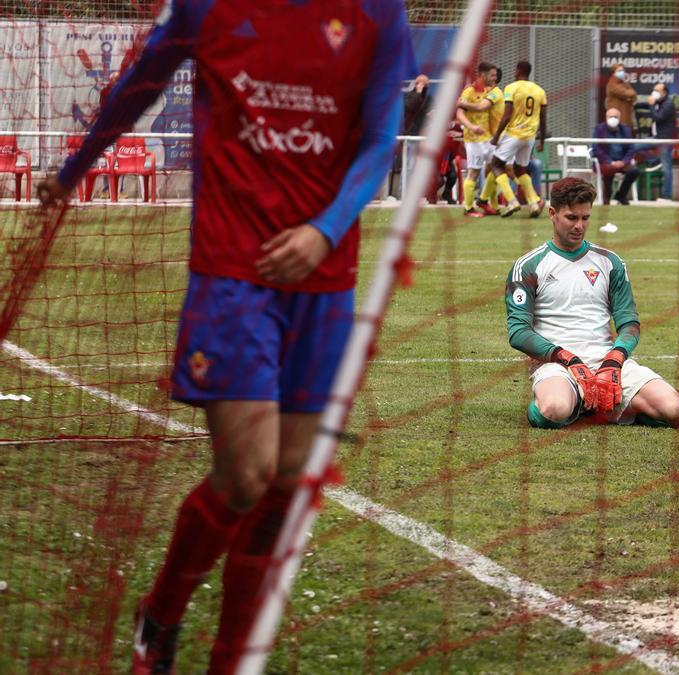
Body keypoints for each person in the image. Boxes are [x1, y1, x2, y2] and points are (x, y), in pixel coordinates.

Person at [37, 2, 415, 673]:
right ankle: (160, 614)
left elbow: (379, 141)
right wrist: (72, 171)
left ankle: (229, 659)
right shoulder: (206, 5)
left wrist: (324, 230)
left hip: (326, 280)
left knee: (288, 483)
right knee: (246, 474)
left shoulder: (378, 11)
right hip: (231, 270)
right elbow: (138, 87)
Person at [506, 177, 679, 430]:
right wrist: (568, 359)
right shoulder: (528, 266)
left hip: (607, 364)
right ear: (552, 214)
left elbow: (629, 324)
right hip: (557, 365)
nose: (579, 226)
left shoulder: (610, 262)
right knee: (554, 409)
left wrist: (614, 360)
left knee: (677, 412)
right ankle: (576, 403)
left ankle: (601, 405)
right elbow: (518, 333)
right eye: (571, 218)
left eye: (585, 218)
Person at [490, 60, 546, 218]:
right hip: (530, 136)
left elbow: (507, 116)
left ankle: (512, 201)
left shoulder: (511, 88)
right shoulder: (539, 90)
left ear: (518, 70)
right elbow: (543, 117)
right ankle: (533, 203)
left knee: (496, 164)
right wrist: (541, 141)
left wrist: (496, 137)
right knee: (520, 169)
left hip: (513, 134)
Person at [458, 61, 502, 217]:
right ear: (483, 75)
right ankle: (468, 208)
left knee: (496, 168)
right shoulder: (469, 91)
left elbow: (485, 108)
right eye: (492, 75)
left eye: (495, 75)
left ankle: (486, 202)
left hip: (488, 138)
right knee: (474, 173)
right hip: (473, 139)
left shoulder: (490, 91)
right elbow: (459, 114)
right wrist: (471, 126)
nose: (494, 78)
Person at [593, 107, 641, 205]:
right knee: (608, 171)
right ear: (606, 117)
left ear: (619, 118)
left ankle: (621, 195)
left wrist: (624, 161)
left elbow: (631, 148)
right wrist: (610, 162)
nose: (613, 119)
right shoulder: (599, 129)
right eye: (611, 116)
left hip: (622, 162)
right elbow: (596, 149)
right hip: (606, 162)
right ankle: (607, 198)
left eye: (615, 117)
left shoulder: (625, 129)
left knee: (634, 171)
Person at [649, 83, 677, 202]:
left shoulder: (668, 104)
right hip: (656, 137)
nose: (654, 92)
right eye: (653, 89)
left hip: (665, 139)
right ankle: (654, 161)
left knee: (667, 168)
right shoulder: (659, 102)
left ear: (664, 92)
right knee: (635, 146)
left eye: (657, 90)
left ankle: (667, 195)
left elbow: (659, 118)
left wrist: (651, 106)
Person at [404, 73, 431, 189]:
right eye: (422, 84)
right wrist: (418, 93)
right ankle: (405, 190)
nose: (425, 87)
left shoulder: (429, 99)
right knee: (410, 164)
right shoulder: (409, 96)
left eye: (426, 85)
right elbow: (409, 107)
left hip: (426, 135)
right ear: (416, 84)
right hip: (412, 134)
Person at [605, 63, 637, 128]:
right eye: (619, 71)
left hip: (626, 116)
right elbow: (630, 93)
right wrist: (629, 96)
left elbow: (634, 95)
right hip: (617, 118)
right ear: (613, 73)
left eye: (623, 70)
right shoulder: (612, 85)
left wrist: (630, 97)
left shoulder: (624, 83)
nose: (622, 72)